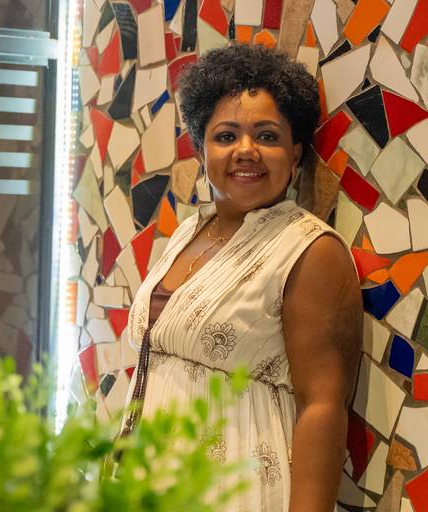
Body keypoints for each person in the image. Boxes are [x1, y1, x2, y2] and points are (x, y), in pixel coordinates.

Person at [121, 44, 362, 511]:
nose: (246, 151)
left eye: (267, 136)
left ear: (295, 153)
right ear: (201, 149)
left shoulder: (309, 250)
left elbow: (323, 409)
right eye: (226, 135)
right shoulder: (190, 230)